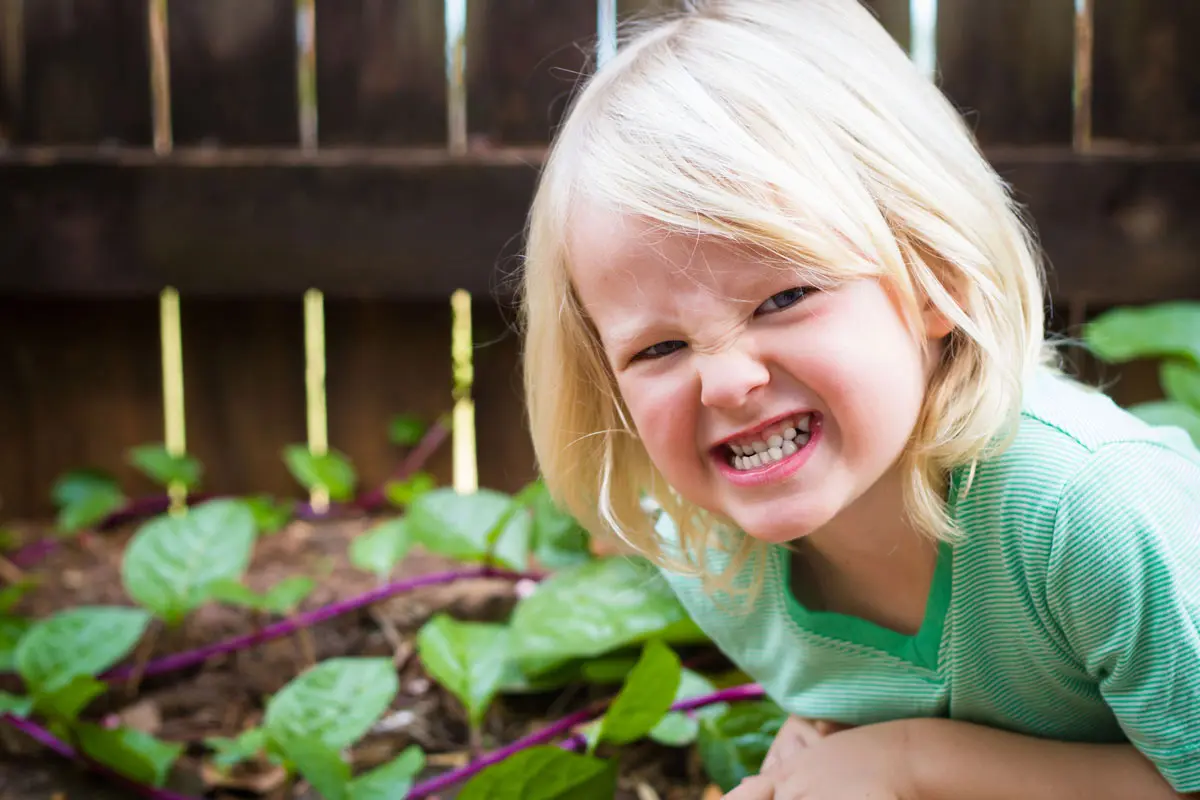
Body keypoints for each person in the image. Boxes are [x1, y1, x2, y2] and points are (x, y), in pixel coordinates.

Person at [517, 0, 1200, 797]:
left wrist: (911, 764)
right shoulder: (715, 559)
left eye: (783, 298)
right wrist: (828, 743)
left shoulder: (1091, 517)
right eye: (659, 348)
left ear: (935, 276)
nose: (727, 380)